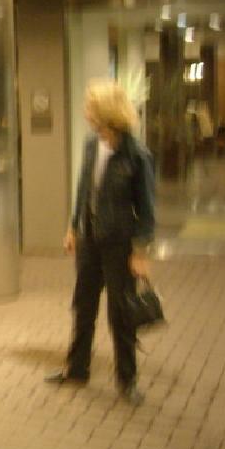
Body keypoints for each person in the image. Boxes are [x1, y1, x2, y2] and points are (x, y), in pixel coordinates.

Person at [46, 79, 155, 406]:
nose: (85, 111)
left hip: (120, 243)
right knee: (83, 305)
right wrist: (73, 227)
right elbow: (83, 190)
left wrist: (139, 251)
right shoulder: (92, 144)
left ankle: (128, 379)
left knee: (120, 313)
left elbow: (147, 209)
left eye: (89, 106)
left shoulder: (136, 155)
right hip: (90, 239)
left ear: (105, 111)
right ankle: (77, 369)